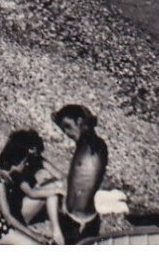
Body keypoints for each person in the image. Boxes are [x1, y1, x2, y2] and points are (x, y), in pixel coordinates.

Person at [0, 130, 57, 244]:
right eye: (25, 162)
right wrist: (34, 235)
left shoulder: (10, 174)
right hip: (0, 231)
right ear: (18, 159)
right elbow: (8, 216)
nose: (26, 165)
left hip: (7, 226)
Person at [51, 104, 108, 244]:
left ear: (81, 121)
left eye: (68, 126)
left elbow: (91, 140)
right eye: (63, 129)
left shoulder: (94, 144)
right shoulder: (82, 146)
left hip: (82, 221)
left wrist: (87, 124)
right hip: (72, 216)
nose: (66, 132)